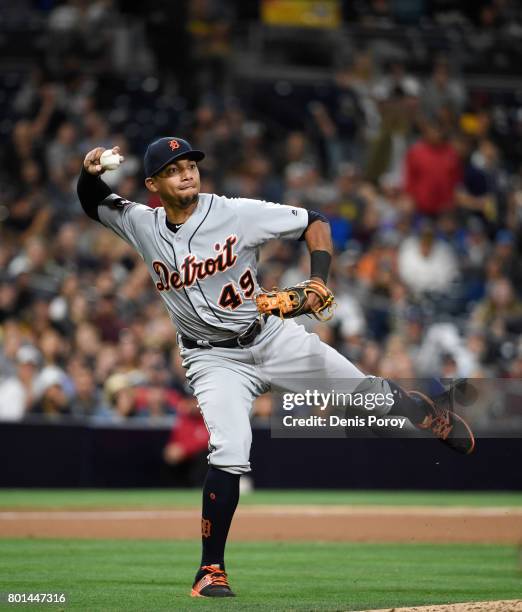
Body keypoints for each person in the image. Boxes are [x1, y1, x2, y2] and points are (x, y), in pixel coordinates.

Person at [77, 137, 474, 598]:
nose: (186, 173)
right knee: (230, 447)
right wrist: (88, 174)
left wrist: (318, 281)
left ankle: (427, 415)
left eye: (190, 165)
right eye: (172, 169)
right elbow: (94, 203)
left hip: (269, 335)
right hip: (212, 357)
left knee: (370, 397)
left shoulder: (234, 212)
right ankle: (210, 571)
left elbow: (314, 222)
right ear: (152, 183)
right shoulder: (140, 224)